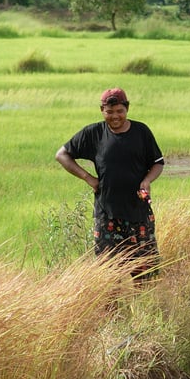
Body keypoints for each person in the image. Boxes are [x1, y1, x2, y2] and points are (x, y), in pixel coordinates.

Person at [55, 87, 164, 278]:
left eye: (120, 111)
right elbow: (62, 155)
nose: (115, 116)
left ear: (127, 109)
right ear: (102, 110)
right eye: (110, 111)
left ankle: (143, 306)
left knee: (144, 271)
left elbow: (157, 163)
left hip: (139, 213)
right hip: (107, 215)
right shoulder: (93, 133)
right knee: (107, 272)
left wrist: (147, 181)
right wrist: (89, 178)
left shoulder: (141, 132)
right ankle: (111, 308)